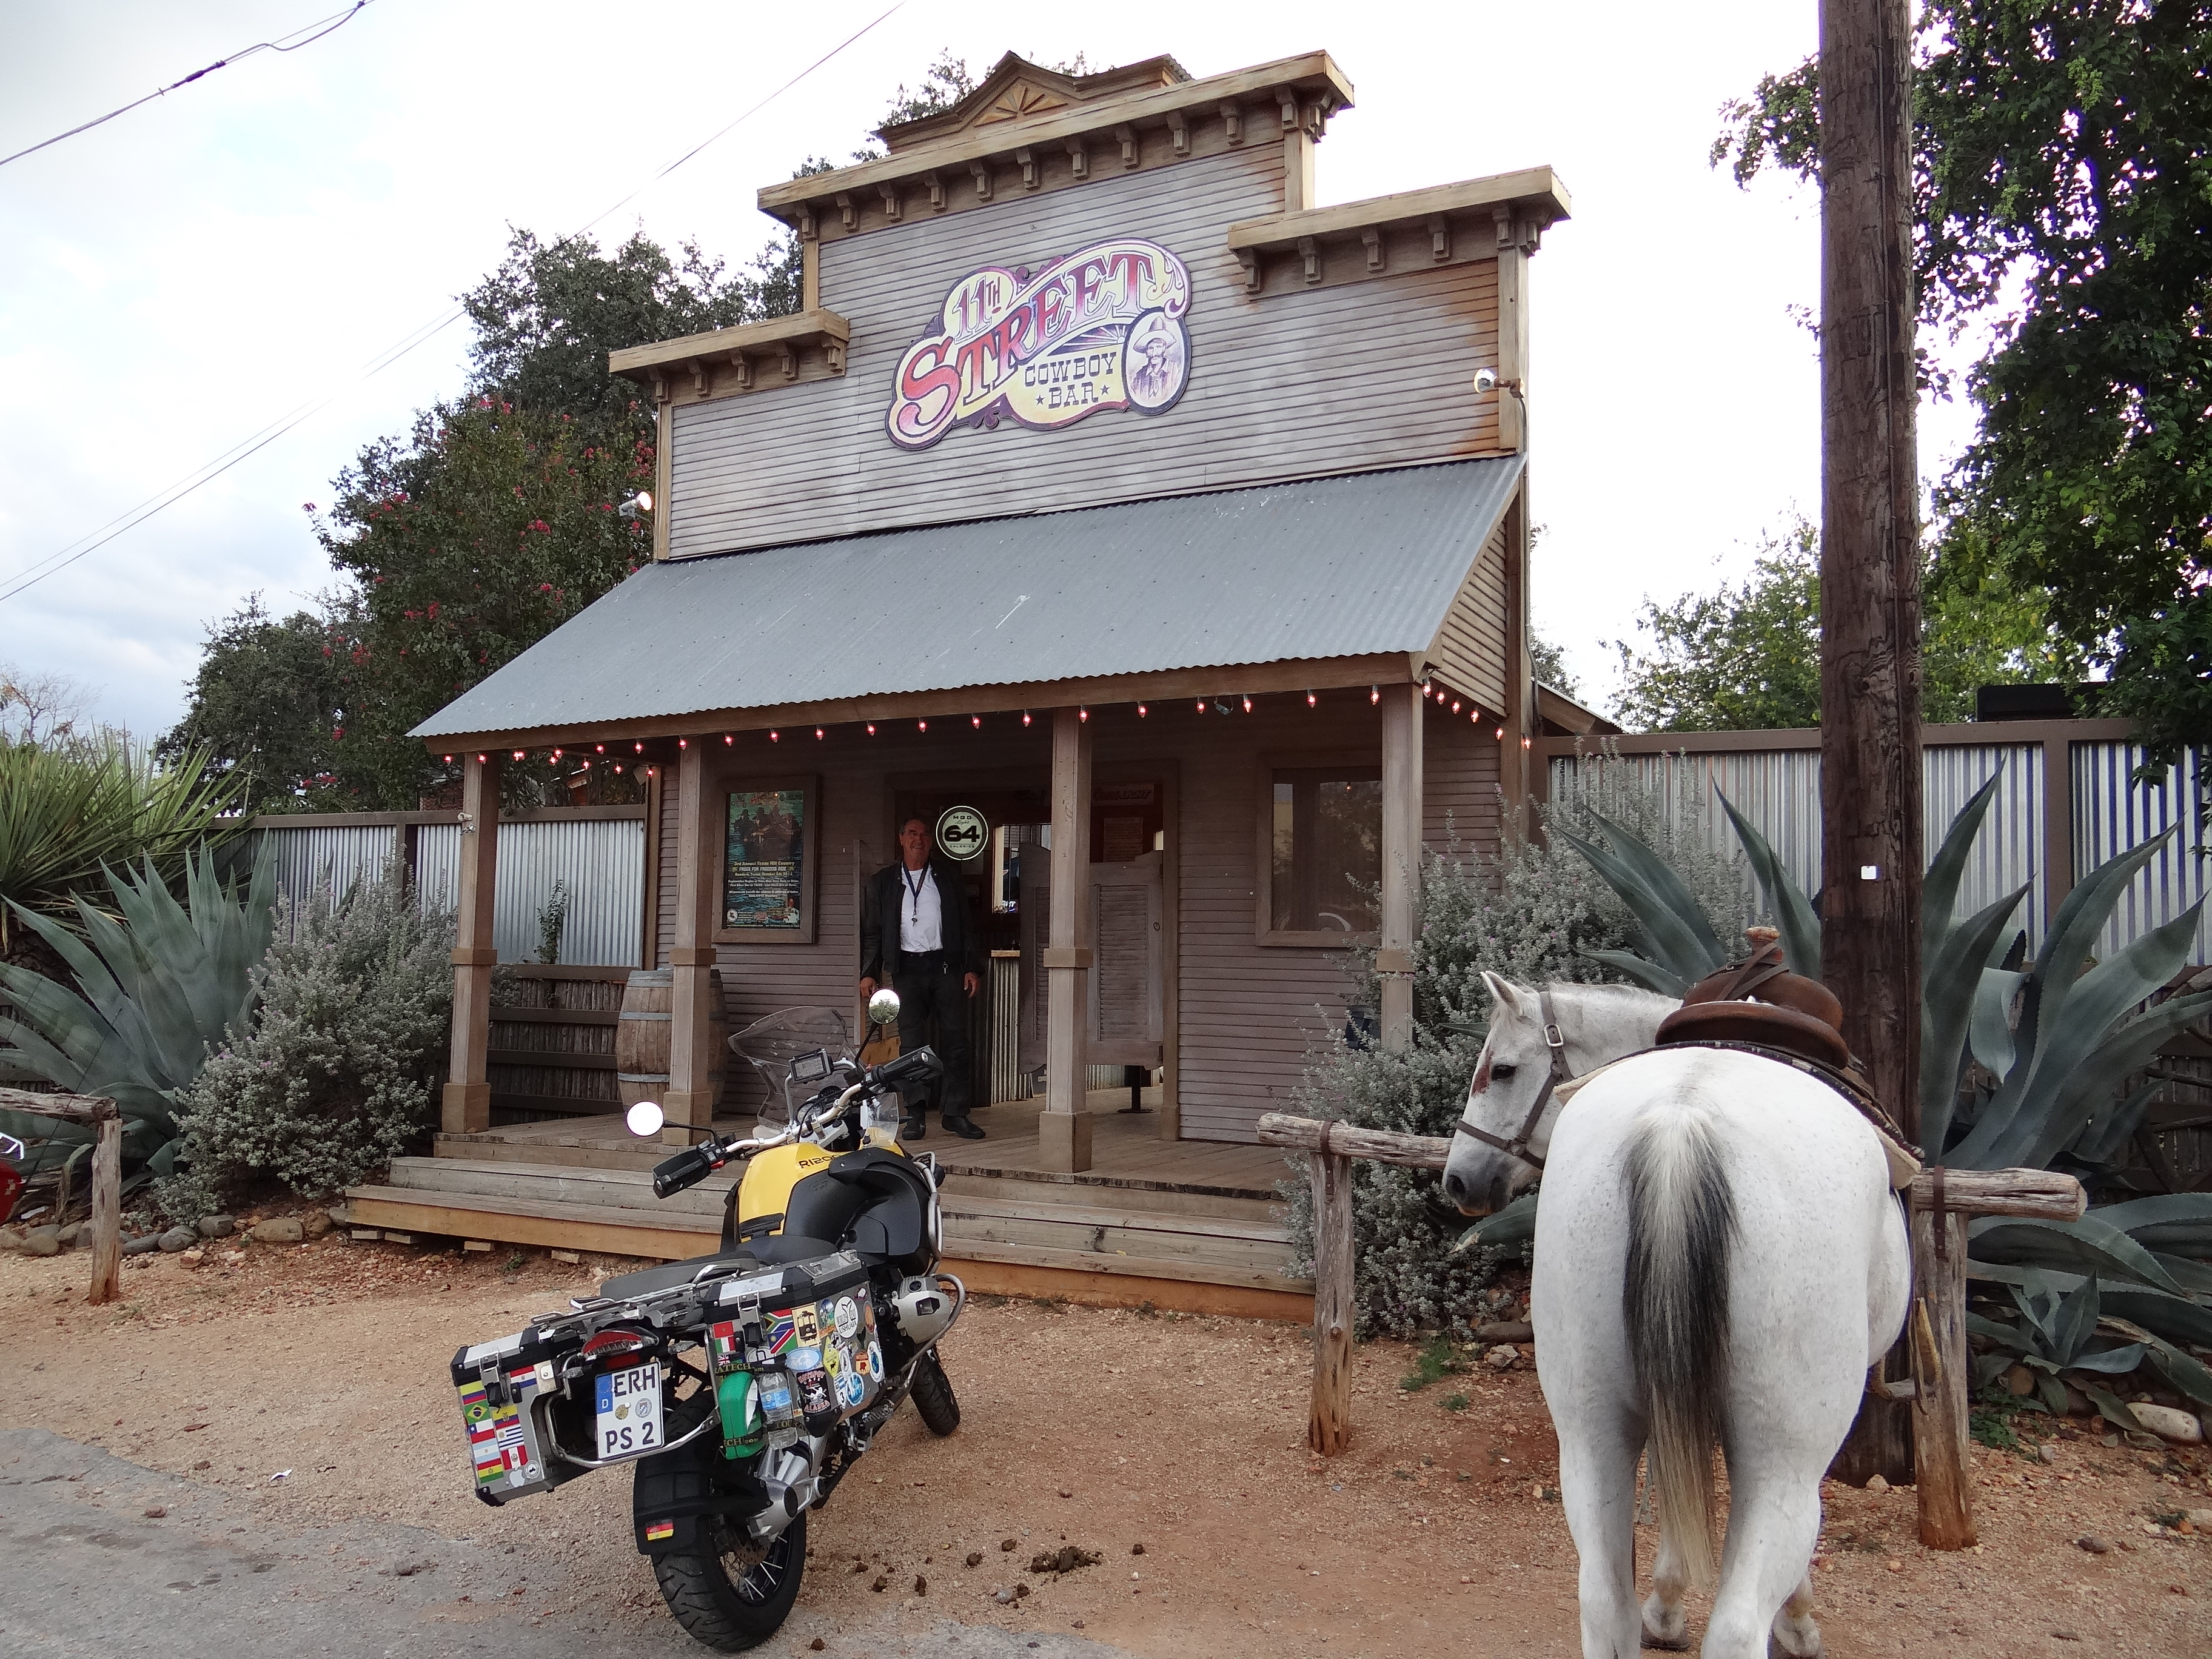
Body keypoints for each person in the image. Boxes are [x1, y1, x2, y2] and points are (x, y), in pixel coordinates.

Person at [859, 816, 985, 1140]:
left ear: (931, 841)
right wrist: (869, 973)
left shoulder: (948, 877)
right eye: (912, 834)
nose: (919, 840)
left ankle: (956, 1113)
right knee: (912, 1045)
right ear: (901, 839)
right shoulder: (884, 882)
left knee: (956, 1042)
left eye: (925, 835)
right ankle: (915, 1115)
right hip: (906, 970)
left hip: (945, 967)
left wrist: (971, 967)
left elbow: (967, 926)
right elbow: (873, 932)